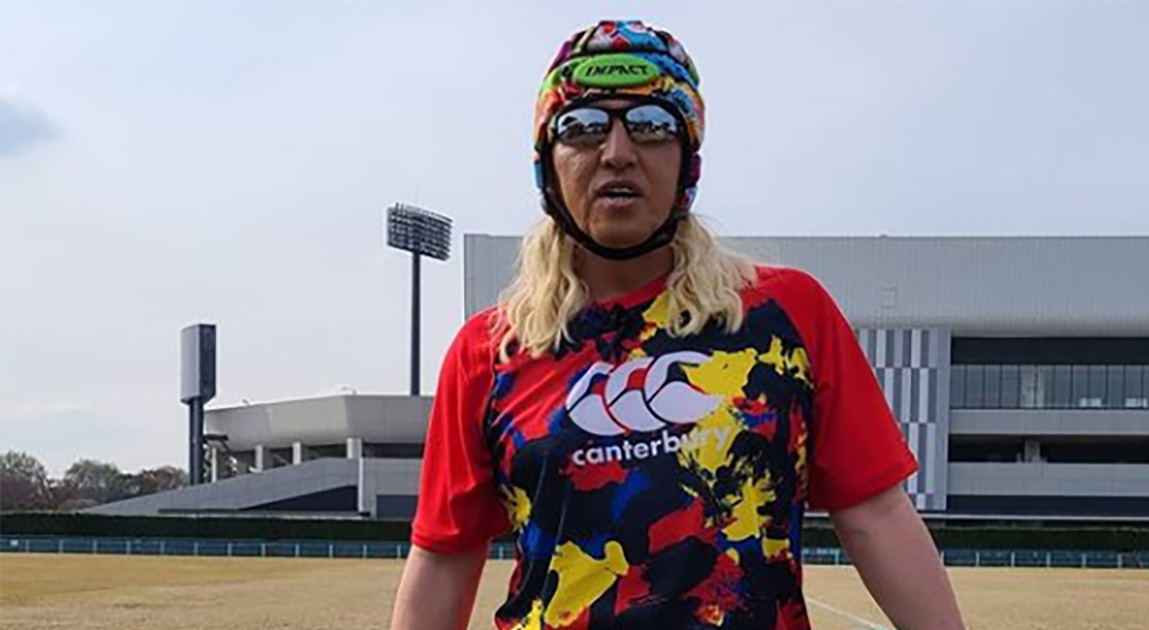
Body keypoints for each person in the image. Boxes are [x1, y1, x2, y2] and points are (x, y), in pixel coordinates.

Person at [391, 19, 966, 630]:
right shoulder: (491, 351)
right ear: (548, 164)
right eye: (582, 127)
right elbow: (443, 556)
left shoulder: (784, 316)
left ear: (688, 159)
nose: (617, 152)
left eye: (651, 125)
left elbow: (876, 514)